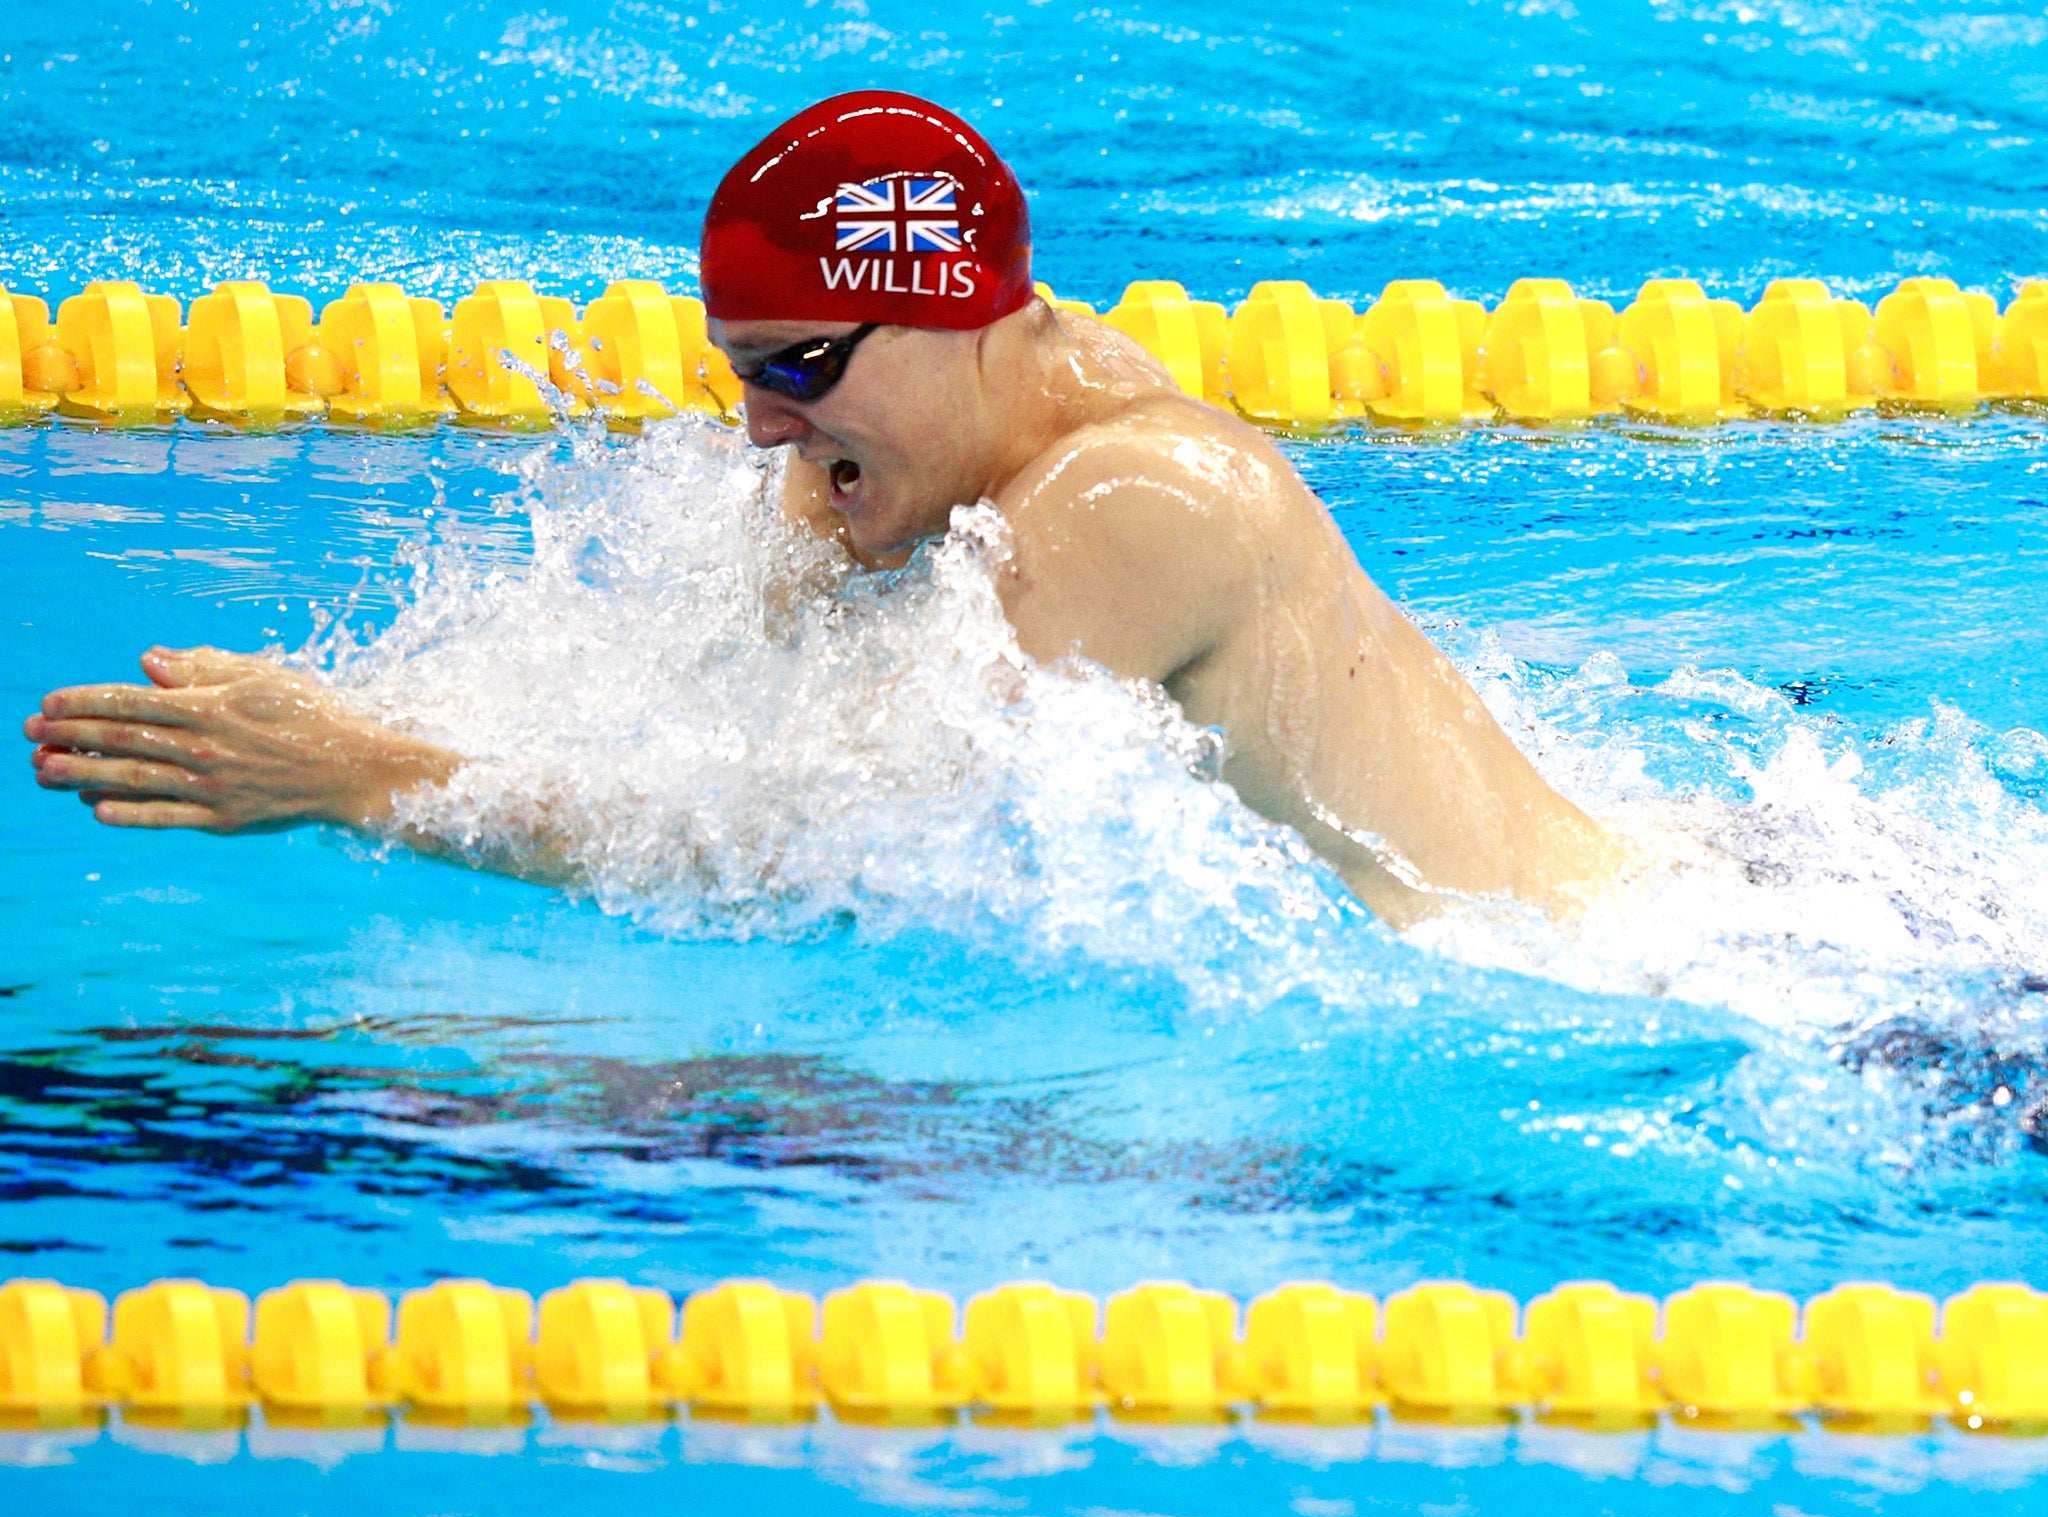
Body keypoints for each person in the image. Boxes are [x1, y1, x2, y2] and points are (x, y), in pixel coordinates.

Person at [24, 91, 1620, 928]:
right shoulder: (932, 436)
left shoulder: (1135, 497)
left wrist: (365, 781)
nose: (763, 429)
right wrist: (346, 722)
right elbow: (690, 699)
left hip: (1576, 969)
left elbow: (814, 847)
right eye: (745, 375)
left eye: (797, 369)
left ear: (954, 318)